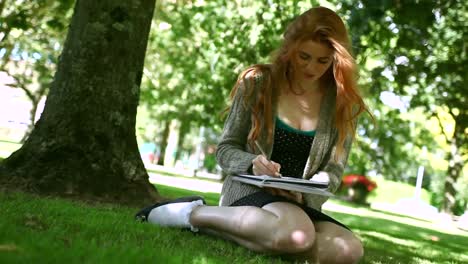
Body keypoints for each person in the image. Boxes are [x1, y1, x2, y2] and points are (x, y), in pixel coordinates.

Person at [136, 6, 371, 264]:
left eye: (323, 61)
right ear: (290, 47)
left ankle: (252, 236)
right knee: (298, 236)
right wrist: (252, 164)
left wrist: (307, 192)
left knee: (348, 249)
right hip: (249, 192)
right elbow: (225, 149)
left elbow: (333, 171)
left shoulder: (343, 104)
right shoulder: (258, 82)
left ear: (336, 59)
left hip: (300, 202)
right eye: (304, 56)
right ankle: (193, 213)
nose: (311, 67)